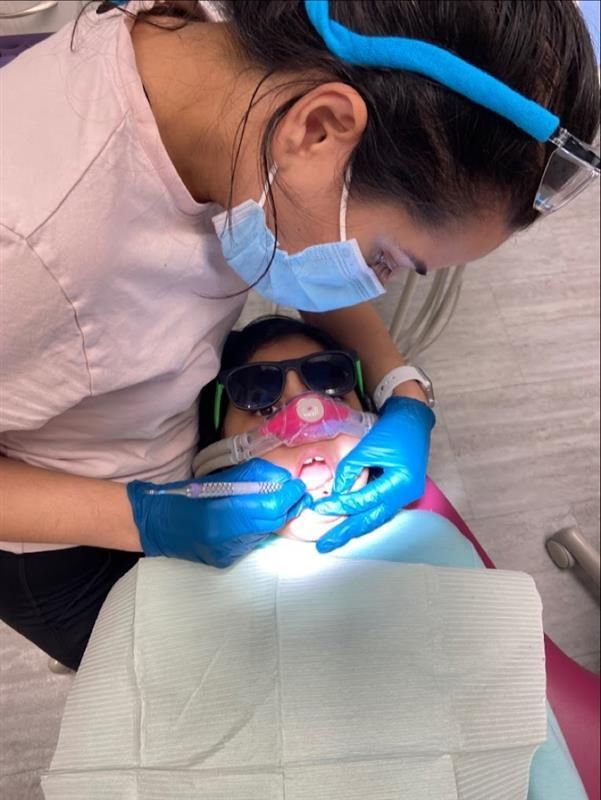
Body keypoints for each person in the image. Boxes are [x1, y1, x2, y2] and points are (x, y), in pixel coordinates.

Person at [1, 0, 599, 670]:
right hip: (50, 535)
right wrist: (140, 520)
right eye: (385, 256)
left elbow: (308, 235)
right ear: (319, 129)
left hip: (148, 443)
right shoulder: (28, 250)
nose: (373, 288)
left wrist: (402, 390)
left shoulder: (243, 63)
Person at [45, 314, 589, 799]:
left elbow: (527, 742)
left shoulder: (434, 548)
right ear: (217, 449)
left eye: (330, 382)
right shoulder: (156, 589)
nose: (308, 414)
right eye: (258, 395)